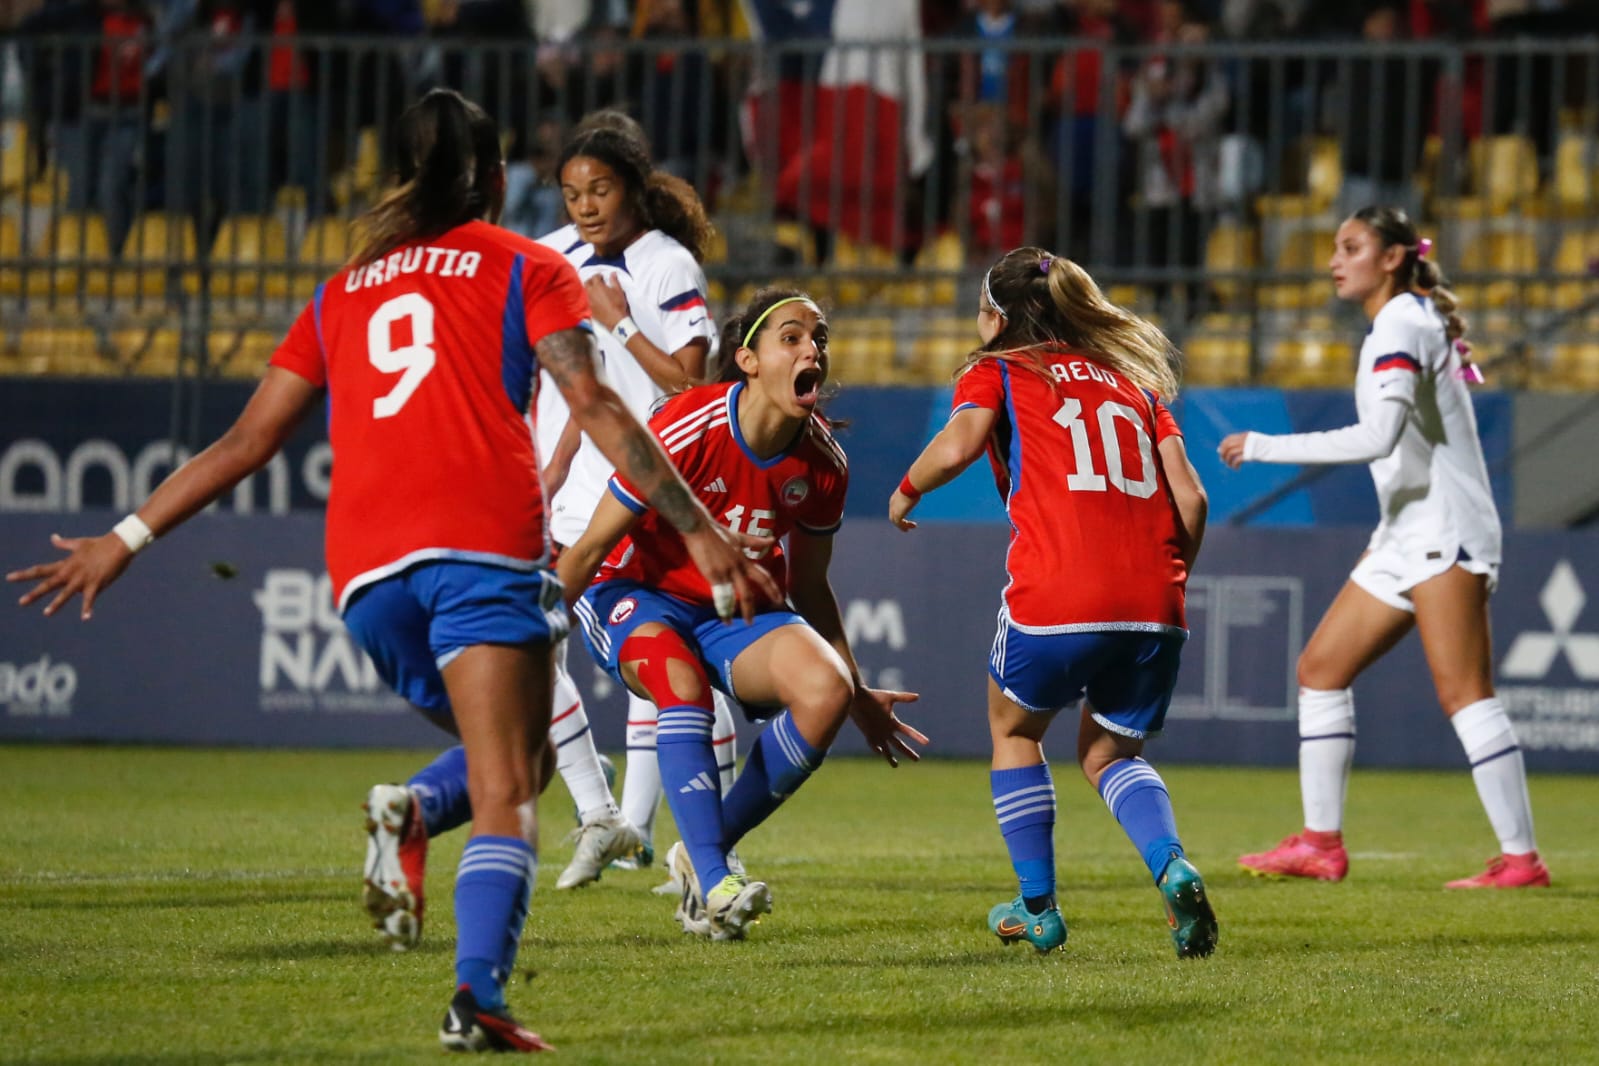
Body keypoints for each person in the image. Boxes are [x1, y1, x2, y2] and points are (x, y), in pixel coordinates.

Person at [6, 88, 776, 1052]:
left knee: (523, 754)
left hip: (364, 573)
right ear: (501, 180)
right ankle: (479, 998)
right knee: (509, 786)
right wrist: (702, 532)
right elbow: (603, 410)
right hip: (480, 547)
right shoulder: (527, 265)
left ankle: (412, 813)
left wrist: (121, 539)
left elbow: (247, 441)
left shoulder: (344, 287)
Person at [391, 115, 740, 893]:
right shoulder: (548, 257)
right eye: (572, 192)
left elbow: (690, 385)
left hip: (640, 492)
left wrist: (617, 320)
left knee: (662, 668)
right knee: (544, 654)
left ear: (634, 191)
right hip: (563, 493)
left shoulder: (664, 264)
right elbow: (557, 385)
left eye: (601, 190)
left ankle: (681, 839)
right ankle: (612, 818)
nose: (585, 206)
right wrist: (543, 464)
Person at [558, 287, 930, 940]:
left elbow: (811, 588)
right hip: (632, 593)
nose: (810, 349)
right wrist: (530, 636)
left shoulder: (821, 465)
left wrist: (855, 688)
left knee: (823, 692)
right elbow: (591, 545)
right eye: (790, 337)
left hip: (733, 610)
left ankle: (700, 856)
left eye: (817, 339)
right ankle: (718, 879)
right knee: (683, 687)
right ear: (748, 360)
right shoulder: (686, 424)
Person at [888, 247, 1218, 959]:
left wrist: (907, 487)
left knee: (1014, 731)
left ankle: (1037, 907)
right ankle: (1171, 864)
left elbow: (959, 443)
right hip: (1154, 602)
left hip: (1057, 592)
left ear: (998, 318)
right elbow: (1190, 497)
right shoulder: (1134, 384)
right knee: (1109, 753)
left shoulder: (998, 368)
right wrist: (1167, 580)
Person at [1221, 206, 1549, 891]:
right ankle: (1319, 845)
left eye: (1351, 247)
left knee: (1464, 693)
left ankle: (1520, 861)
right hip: (1405, 532)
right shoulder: (1402, 322)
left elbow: (1375, 437)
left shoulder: (1401, 322)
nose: (1334, 260)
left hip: (1442, 532)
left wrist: (1262, 446)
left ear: (1393, 256)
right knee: (1319, 669)